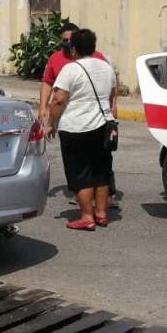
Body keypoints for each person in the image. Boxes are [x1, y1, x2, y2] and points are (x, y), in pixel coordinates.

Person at [46, 29, 118, 231]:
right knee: (101, 170)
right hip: (103, 126)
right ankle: (102, 213)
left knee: (80, 173)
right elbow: (112, 95)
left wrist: (51, 122)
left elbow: (59, 99)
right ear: (94, 47)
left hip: (76, 128)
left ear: (73, 47)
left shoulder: (71, 69)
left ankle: (87, 216)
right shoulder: (106, 68)